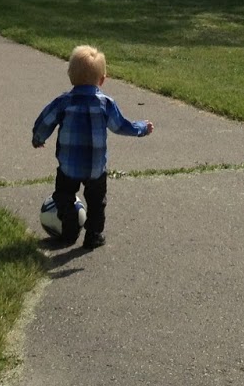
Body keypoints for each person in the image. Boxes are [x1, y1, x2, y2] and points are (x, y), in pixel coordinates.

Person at [31, 45, 153, 249]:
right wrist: (141, 128)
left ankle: (68, 231)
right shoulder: (105, 104)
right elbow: (121, 126)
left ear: (70, 75)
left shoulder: (63, 102)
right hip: (96, 169)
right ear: (102, 79)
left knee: (63, 196)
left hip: (68, 167)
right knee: (97, 204)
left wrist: (38, 138)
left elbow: (45, 121)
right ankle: (93, 236)